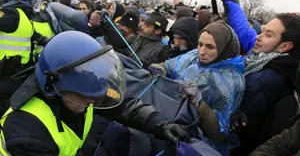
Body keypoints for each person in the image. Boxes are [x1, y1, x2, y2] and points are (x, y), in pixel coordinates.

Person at [0, 31, 190, 156]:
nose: (92, 101)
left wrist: (159, 124)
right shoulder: (27, 132)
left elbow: (120, 105)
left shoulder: (82, 92)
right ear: (53, 86)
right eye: (84, 95)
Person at [216, 0, 300, 154]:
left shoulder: (266, 80)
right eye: (262, 30)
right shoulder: (262, 55)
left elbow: (228, 116)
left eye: (268, 34)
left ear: (285, 46)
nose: (258, 37)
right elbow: (243, 29)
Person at [148, 21, 245, 155]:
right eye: (200, 44)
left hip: (191, 142)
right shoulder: (193, 55)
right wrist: (160, 67)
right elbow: (170, 65)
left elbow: (219, 133)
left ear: (224, 48)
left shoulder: (230, 80)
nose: (202, 51)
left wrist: (199, 105)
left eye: (210, 47)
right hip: (166, 118)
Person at [0, 0, 44, 115]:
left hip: (16, 73)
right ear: (26, 1)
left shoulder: (25, 18)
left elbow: (37, 37)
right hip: (5, 73)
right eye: (35, 3)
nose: (37, 7)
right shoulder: (11, 14)